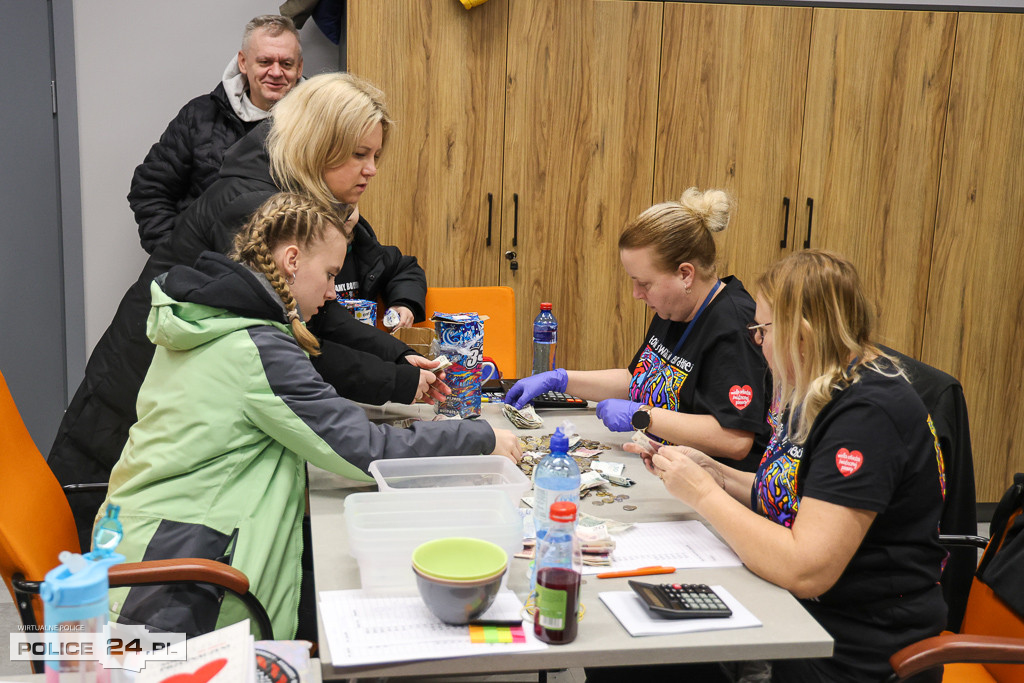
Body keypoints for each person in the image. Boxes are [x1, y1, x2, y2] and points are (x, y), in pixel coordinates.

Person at [98, 192, 522, 640]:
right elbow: (366, 449)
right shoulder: (255, 346)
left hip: (152, 538)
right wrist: (478, 438)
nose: (330, 292)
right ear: (293, 259)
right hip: (181, 579)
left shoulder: (214, 318)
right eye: (330, 276)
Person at [49, 73, 435, 551]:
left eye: (375, 155)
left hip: (158, 392)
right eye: (358, 154)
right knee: (90, 567)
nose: (371, 169)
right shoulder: (258, 207)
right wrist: (397, 380)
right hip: (133, 397)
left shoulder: (279, 188)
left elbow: (316, 311)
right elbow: (291, 340)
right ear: (317, 144)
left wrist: (397, 360)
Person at [635, 250, 947, 682]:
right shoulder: (817, 385)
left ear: (801, 334)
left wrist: (703, 495)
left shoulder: (868, 414)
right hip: (805, 616)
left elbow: (807, 568)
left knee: (653, 666)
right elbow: (790, 498)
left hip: (858, 645)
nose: (756, 342)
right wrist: (717, 475)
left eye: (762, 330)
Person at [506, 188, 771, 470]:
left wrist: (643, 416)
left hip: (716, 486)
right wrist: (560, 379)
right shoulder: (676, 305)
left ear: (685, 274)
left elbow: (735, 439)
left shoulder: (734, 325)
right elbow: (638, 379)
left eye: (644, 283)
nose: (636, 294)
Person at [128, 15, 303, 254]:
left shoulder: (320, 125)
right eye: (264, 62)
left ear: (299, 67)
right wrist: (177, 256)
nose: (275, 72)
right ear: (243, 62)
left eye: (286, 64)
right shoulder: (200, 117)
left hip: (290, 276)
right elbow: (150, 188)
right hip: (203, 278)